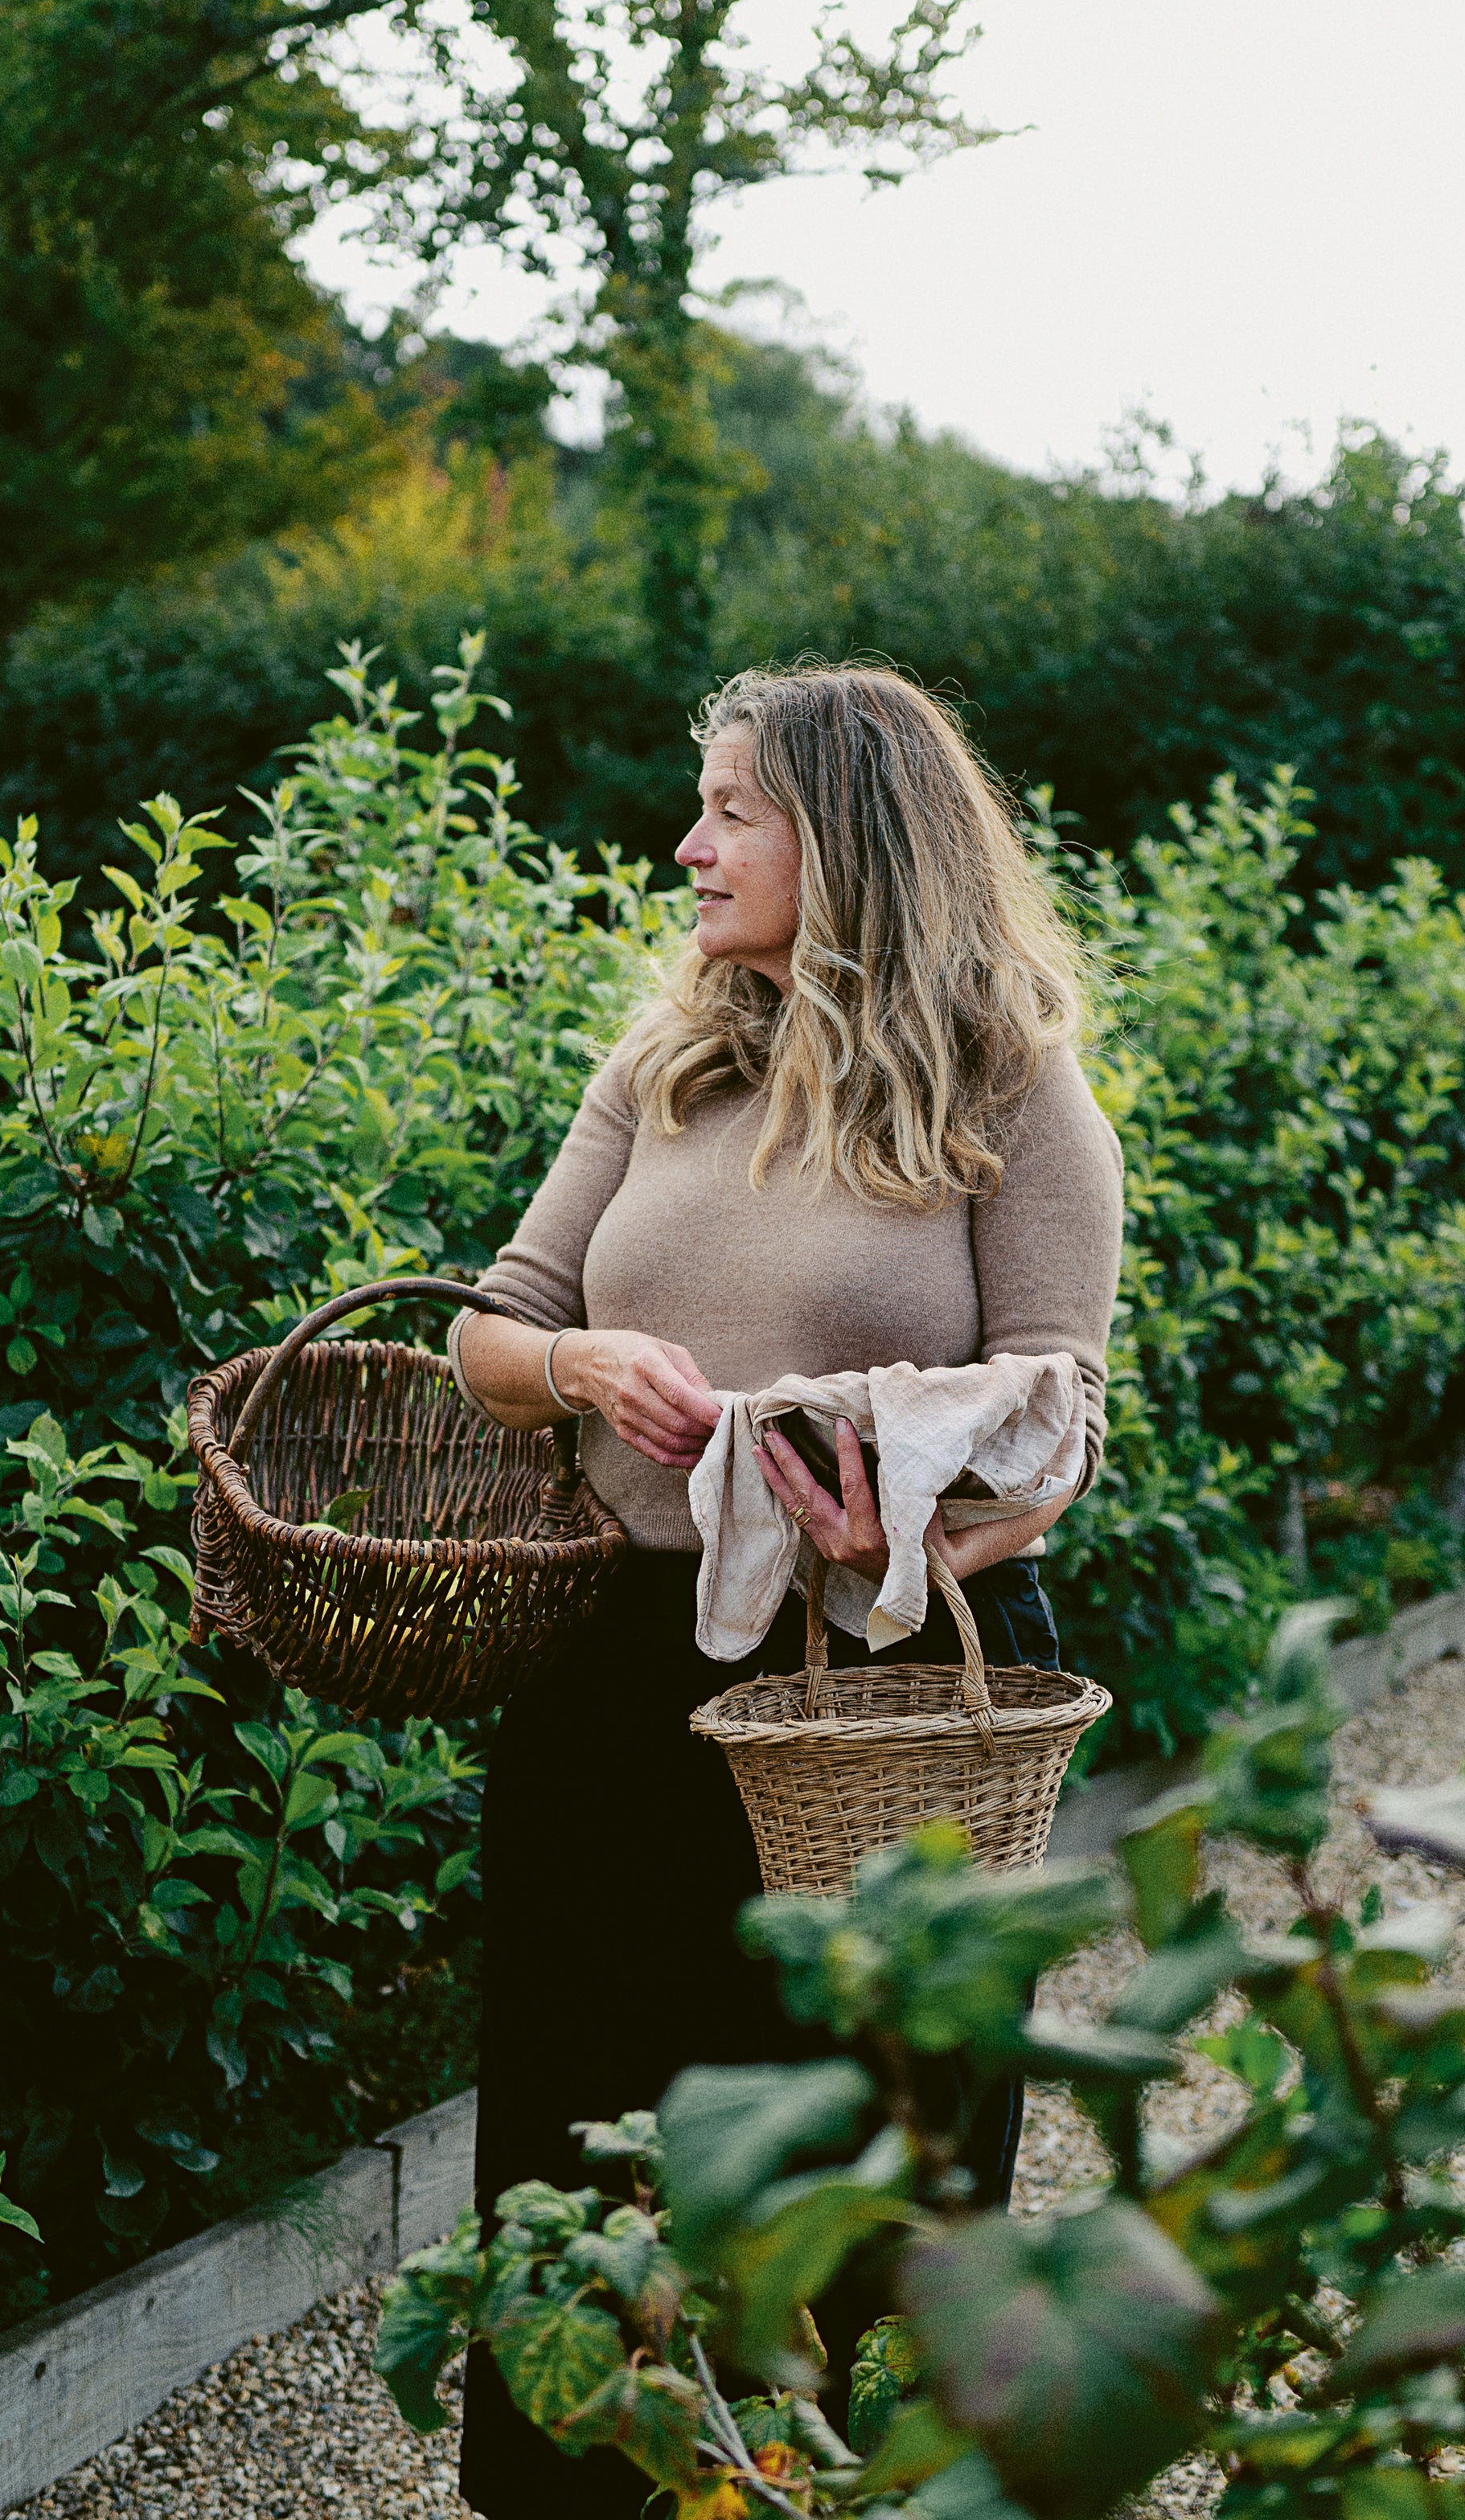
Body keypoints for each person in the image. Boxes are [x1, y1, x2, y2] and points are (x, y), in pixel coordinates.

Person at [447, 664, 1124, 2514]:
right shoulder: (664, 1063)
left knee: (861, 2160)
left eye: (732, 806)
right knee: (588, 2149)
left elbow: (1057, 1426)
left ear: (856, 835)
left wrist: (894, 1522)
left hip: (877, 1708)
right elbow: (487, 1331)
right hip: (617, 1690)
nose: (688, 842)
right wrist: (585, 1366)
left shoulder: (1010, 1081)